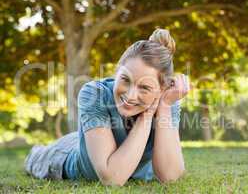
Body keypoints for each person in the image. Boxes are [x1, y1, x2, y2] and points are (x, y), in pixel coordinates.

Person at [24, 28, 192, 186]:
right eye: (125, 79)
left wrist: (163, 106)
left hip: (97, 137)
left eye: (144, 87)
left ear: (161, 90)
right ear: (117, 71)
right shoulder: (95, 94)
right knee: (36, 157)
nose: (130, 96)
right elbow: (112, 178)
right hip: (68, 155)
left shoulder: (167, 101)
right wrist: (147, 116)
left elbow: (170, 177)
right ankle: (41, 150)